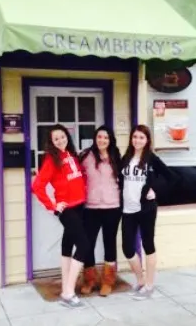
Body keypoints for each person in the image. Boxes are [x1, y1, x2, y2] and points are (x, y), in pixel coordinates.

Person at [32, 124, 88, 308]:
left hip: (79, 205)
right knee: (84, 246)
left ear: (67, 136)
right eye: (56, 139)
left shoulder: (72, 154)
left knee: (68, 245)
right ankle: (68, 293)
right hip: (67, 209)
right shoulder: (51, 159)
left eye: (62, 136)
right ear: (51, 142)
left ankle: (66, 287)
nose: (60, 140)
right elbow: (37, 186)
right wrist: (53, 206)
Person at [120, 124, 179, 300]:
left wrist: (155, 190)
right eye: (135, 137)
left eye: (141, 137)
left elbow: (172, 178)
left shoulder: (151, 159)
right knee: (127, 248)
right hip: (128, 209)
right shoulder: (126, 157)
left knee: (148, 245)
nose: (137, 140)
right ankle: (140, 281)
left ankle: (149, 285)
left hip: (146, 209)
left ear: (147, 140)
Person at [79, 126, 122, 297]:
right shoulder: (86, 156)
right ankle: (89, 280)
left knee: (109, 243)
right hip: (91, 207)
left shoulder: (116, 156)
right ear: (95, 138)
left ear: (110, 140)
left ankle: (108, 281)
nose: (102, 140)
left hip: (112, 207)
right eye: (99, 137)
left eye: (105, 137)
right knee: (87, 244)